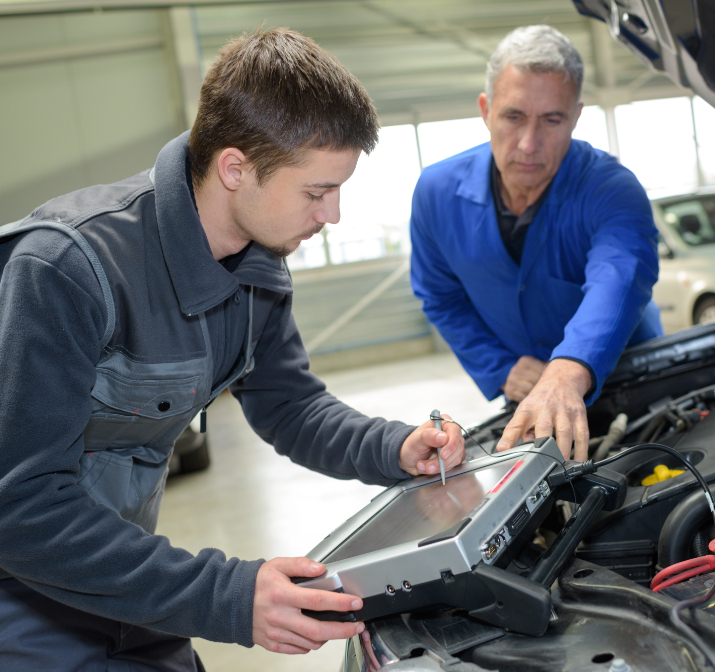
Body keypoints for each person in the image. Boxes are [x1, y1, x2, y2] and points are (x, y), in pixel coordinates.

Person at [0, 28, 465, 670]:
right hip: (17, 590)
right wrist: (231, 595)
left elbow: (291, 406)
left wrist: (394, 446)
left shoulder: (258, 270)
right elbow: (21, 506)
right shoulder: (66, 269)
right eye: (316, 191)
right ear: (235, 168)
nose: (332, 215)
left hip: (118, 573)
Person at [410, 25, 663, 462]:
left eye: (552, 119)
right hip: (525, 393)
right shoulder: (436, 193)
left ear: (576, 116)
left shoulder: (612, 190)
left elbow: (620, 278)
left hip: (633, 385)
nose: (529, 143)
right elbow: (441, 297)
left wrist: (568, 369)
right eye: (513, 116)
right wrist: (500, 367)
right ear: (486, 110)